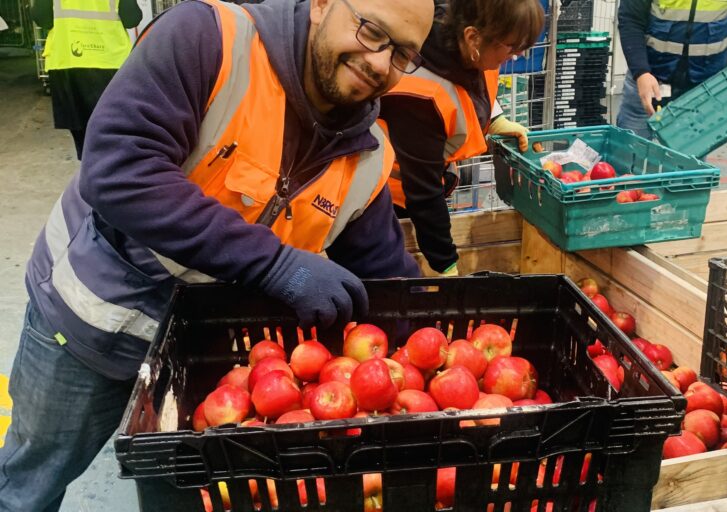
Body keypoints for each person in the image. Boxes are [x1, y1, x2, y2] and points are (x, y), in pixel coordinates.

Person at [0, 0, 433, 509]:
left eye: (403, 53)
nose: (381, 63)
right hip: (88, 330)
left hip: (204, 369)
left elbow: (384, 273)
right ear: (320, 6)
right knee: (28, 487)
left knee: (179, 499)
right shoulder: (211, 41)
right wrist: (274, 263)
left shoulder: (367, 154)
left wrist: (441, 346)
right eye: (371, 32)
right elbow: (120, 167)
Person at [378, 0, 544, 276]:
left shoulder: (478, 48)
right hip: (388, 199)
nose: (516, 56)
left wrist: (495, 119)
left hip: (423, 186)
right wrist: (446, 265)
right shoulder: (418, 93)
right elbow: (423, 192)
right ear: (472, 37)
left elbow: (475, 86)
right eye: (511, 47)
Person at [617, 0, 727, 139]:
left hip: (702, 88)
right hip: (650, 80)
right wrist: (641, 73)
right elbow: (630, 19)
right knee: (629, 152)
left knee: (689, 159)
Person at [30, 0, 143, 160]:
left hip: (67, 63)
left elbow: (42, 18)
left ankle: (90, 172)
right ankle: (113, 173)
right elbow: (132, 18)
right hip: (110, 62)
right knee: (114, 129)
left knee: (82, 136)